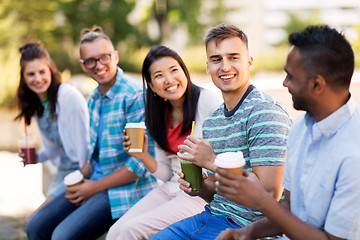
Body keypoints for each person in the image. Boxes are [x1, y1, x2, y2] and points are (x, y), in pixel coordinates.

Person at [215, 25, 360, 240]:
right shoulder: (300, 127)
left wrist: (261, 201)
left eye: (290, 76)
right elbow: (289, 206)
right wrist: (246, 233)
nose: (284, 83)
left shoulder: (353, 153)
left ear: (317, 84)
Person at [149, 24, 292, 240]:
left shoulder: (265, 112)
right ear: (207, 66)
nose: (225, 66)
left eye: (233, 57)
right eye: (216, 59)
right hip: (212, 217)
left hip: (253, 230)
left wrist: (212, 161)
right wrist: (200, 188)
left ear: (249, 62)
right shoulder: (214, 120)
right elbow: (219, 193)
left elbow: (271, 194)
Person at [26, 26, 158, 240]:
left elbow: (139, 166)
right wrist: (79, 181)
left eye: (104, 57)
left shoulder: (134, 96)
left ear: (115, 56)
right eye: (90, 61)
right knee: (35, 226)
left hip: (124, 191)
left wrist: (93, 188)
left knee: (62, 236)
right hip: (94, 182)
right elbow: (93, 155)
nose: (98, 65)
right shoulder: (94, 98)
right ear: (83, 65)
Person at [106, 45, 222, 239]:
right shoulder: (158, 114)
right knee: (115, 232)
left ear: (185, 72)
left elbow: (229, 154)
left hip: (200, 190)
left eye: (174, 70)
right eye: (159, 75)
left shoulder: (207, 100)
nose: (169, 80)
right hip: (170, 187)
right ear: (151, 86)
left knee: (130, 231)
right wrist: (142, 155)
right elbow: (167, 173)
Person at [15, 42, 89, 225]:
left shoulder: (68, 96)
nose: (37, 79)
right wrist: (34, 158)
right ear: (23, 78)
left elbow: (85, 144)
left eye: (42, 72)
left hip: (79, 174)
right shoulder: (39, 106)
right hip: (61, 173)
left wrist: (84, 180)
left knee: (33, 223)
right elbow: (54, 149)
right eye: (31, 74)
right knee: (33, 223)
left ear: (51, 71)